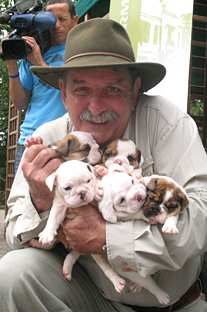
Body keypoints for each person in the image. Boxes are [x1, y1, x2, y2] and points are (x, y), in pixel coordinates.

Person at [1, 18, 207, 312]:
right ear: (63, 92)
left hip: (175, 305)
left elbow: (203, 209)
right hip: (90, 298)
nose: (95, 107)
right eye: (81, 89)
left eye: (112, 90)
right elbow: (14, 233)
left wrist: (108, 236)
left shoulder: (166, 122)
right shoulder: (50, 139)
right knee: (12, 274)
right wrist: (42, 201)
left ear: (134, 92)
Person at [2, 0, 78, 175]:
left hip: (66, 142)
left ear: (75, 20)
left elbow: (75, 92)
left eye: (62, 19)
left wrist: (40, 64)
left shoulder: (79, 52)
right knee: (23, 202)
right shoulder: (32, 51)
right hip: (30, 142)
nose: (56, 26)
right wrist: (12, 64)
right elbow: (20, 103)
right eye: (51, 20)